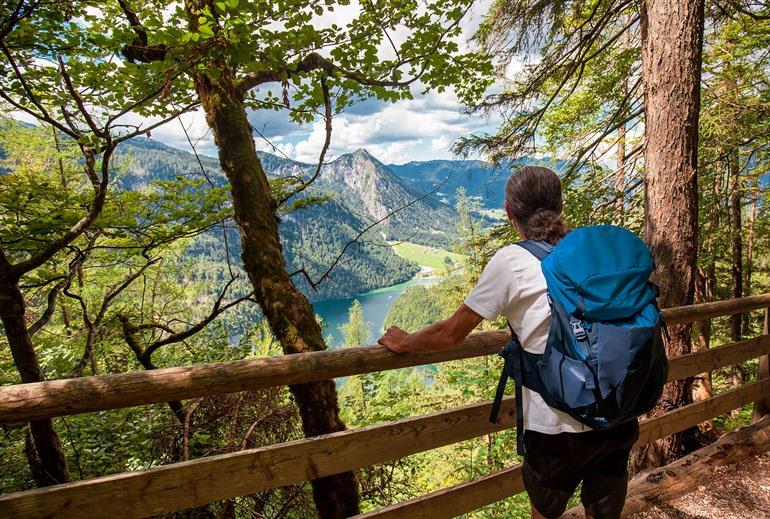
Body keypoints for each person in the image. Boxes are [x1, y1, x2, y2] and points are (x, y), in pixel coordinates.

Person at [378, 166, 639, 519]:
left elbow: (451, 333)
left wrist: (406, 342)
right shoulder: (593, 252)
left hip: (555, 425)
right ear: (560, 205)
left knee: (544, 514)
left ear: (509, 212)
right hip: (617, 412)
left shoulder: (511, 261)